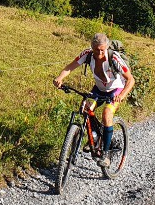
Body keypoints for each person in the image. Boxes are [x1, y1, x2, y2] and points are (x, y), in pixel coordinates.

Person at [53, 33, 135, 168]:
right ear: (92, 47)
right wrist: (60, 78)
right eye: (97, 50)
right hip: (99, 88)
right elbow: (70, 66)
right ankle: (95, 136)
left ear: (107, 47)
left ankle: (105, 154)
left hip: (116, 90)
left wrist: (121, 96)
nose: (100, 53)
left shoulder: (113, 57)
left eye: (102, 50)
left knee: (107, 114)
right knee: (85, 107)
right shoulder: (87, 54)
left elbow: (131, 80)